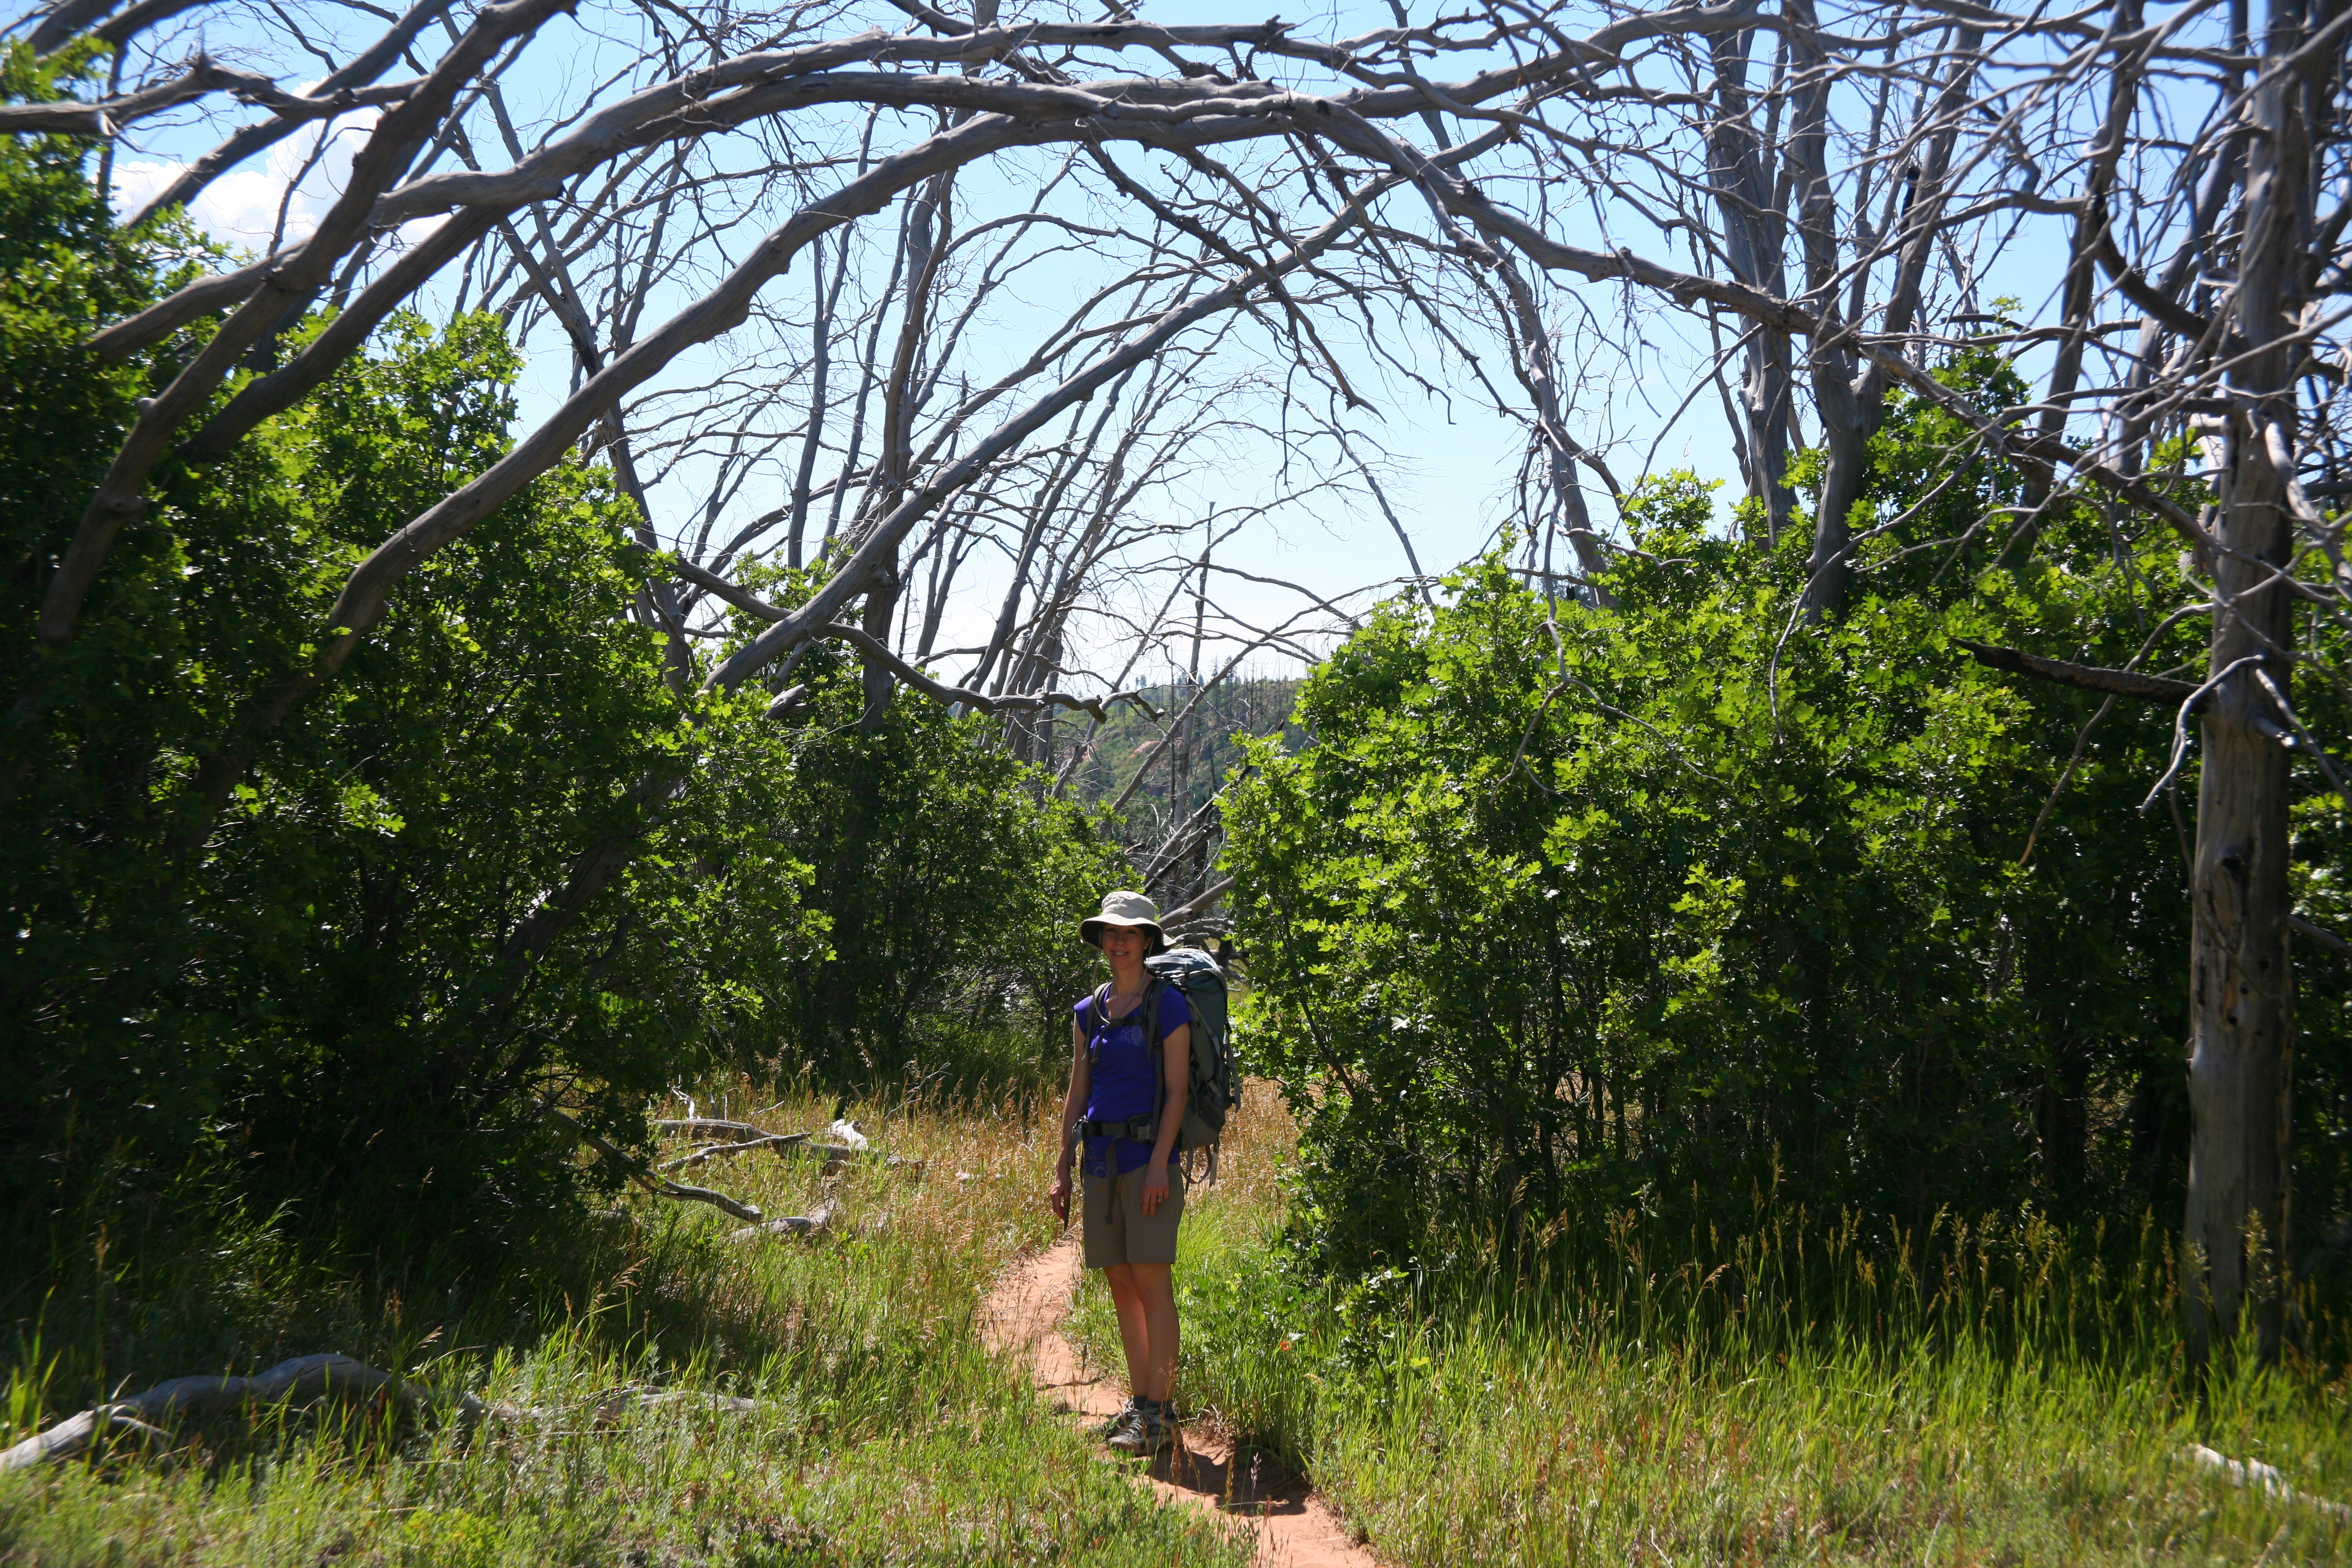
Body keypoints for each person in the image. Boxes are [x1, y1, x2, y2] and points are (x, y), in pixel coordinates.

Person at [1050, 889, 1191, 1456]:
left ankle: (1160, 1412)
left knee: (1153, 1280)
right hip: (1101, 1164)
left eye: (1130, 932)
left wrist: (1160, 1162)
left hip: (1147, 1162)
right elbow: (1078, 1089)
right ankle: (1142, 1407)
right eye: (1111, 932)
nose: (1119, 940)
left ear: (1148, 940)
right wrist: (1062, 1164)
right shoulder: (1091, 1010)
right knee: (1120, 1280)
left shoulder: (1169, 1003)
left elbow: (1178, 1090)